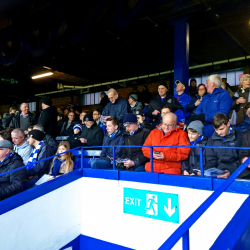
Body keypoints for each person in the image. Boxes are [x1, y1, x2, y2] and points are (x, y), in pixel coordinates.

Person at [205, 113, 242, 179]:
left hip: (236, 174)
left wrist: (230, 171)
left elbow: (242, 160)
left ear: (228, 124)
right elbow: (211, 160)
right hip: (218, 173)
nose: (219, 132)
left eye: (221, 129)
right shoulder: (211, 140)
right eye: (216, 129)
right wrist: (205, 170)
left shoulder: (240, 137)